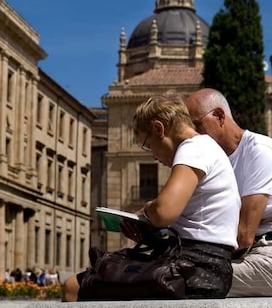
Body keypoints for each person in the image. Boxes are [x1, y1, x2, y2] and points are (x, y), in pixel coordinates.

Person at [61, 92, 241, 301]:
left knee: (72, 286)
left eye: (148, 144)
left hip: (191, 270)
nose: (153, 155)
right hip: (207, 269)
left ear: (159, 128)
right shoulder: (208, 148)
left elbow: (164, 212)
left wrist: (146, 211)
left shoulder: (194, 148)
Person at [185, 88, 272, 297]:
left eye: (196, 125)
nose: (193, 135)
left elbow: (244, 235)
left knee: (184, 279)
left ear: (219, 116)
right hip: (250, 255)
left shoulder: (259, 150)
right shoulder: (214, 161)